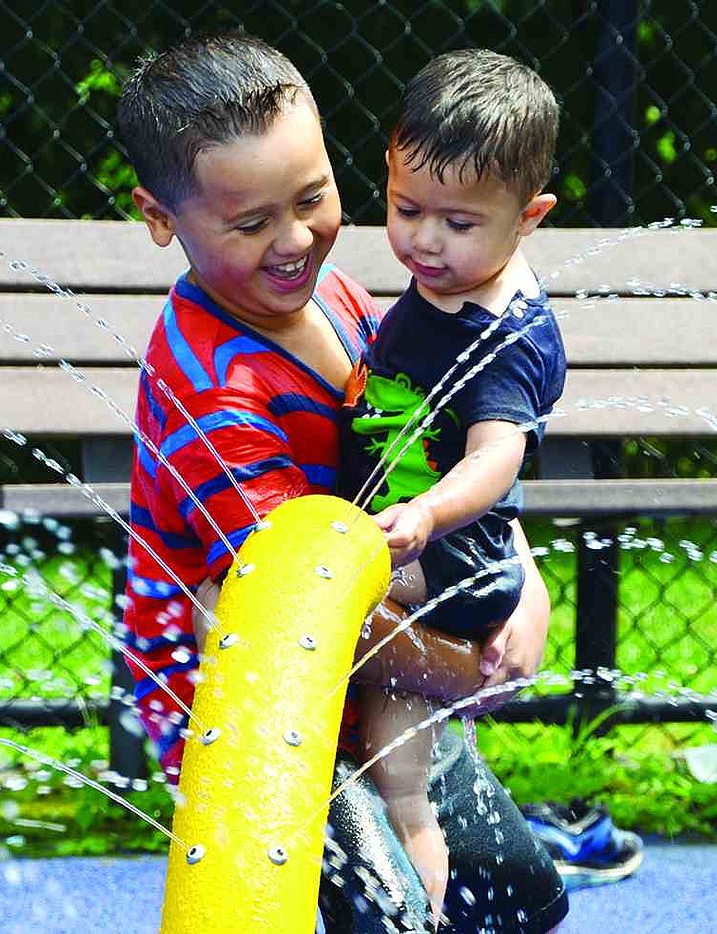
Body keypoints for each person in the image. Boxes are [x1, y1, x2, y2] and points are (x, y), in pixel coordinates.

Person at [116, 32, 568, 933]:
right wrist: (467, 672)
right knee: (397, 918)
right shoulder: (216, 398)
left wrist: (525, 582)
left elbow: (428, 458)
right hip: (255, 713)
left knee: (515, 902)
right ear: (160, 217)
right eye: (250, 224)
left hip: (376, 669)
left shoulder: (340, 302)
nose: (294, 240)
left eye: (314, 197)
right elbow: (298, 614)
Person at [335, 49, 566, 921]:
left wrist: (428, 512)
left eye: (458, 223)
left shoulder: (505, 336)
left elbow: (497, 460)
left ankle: (414, 826)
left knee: (381, 658)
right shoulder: (450, 282)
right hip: (433, 530)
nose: (426, 241)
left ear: (529, 217)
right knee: (388, 669)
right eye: (406, 209)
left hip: (453, 549)